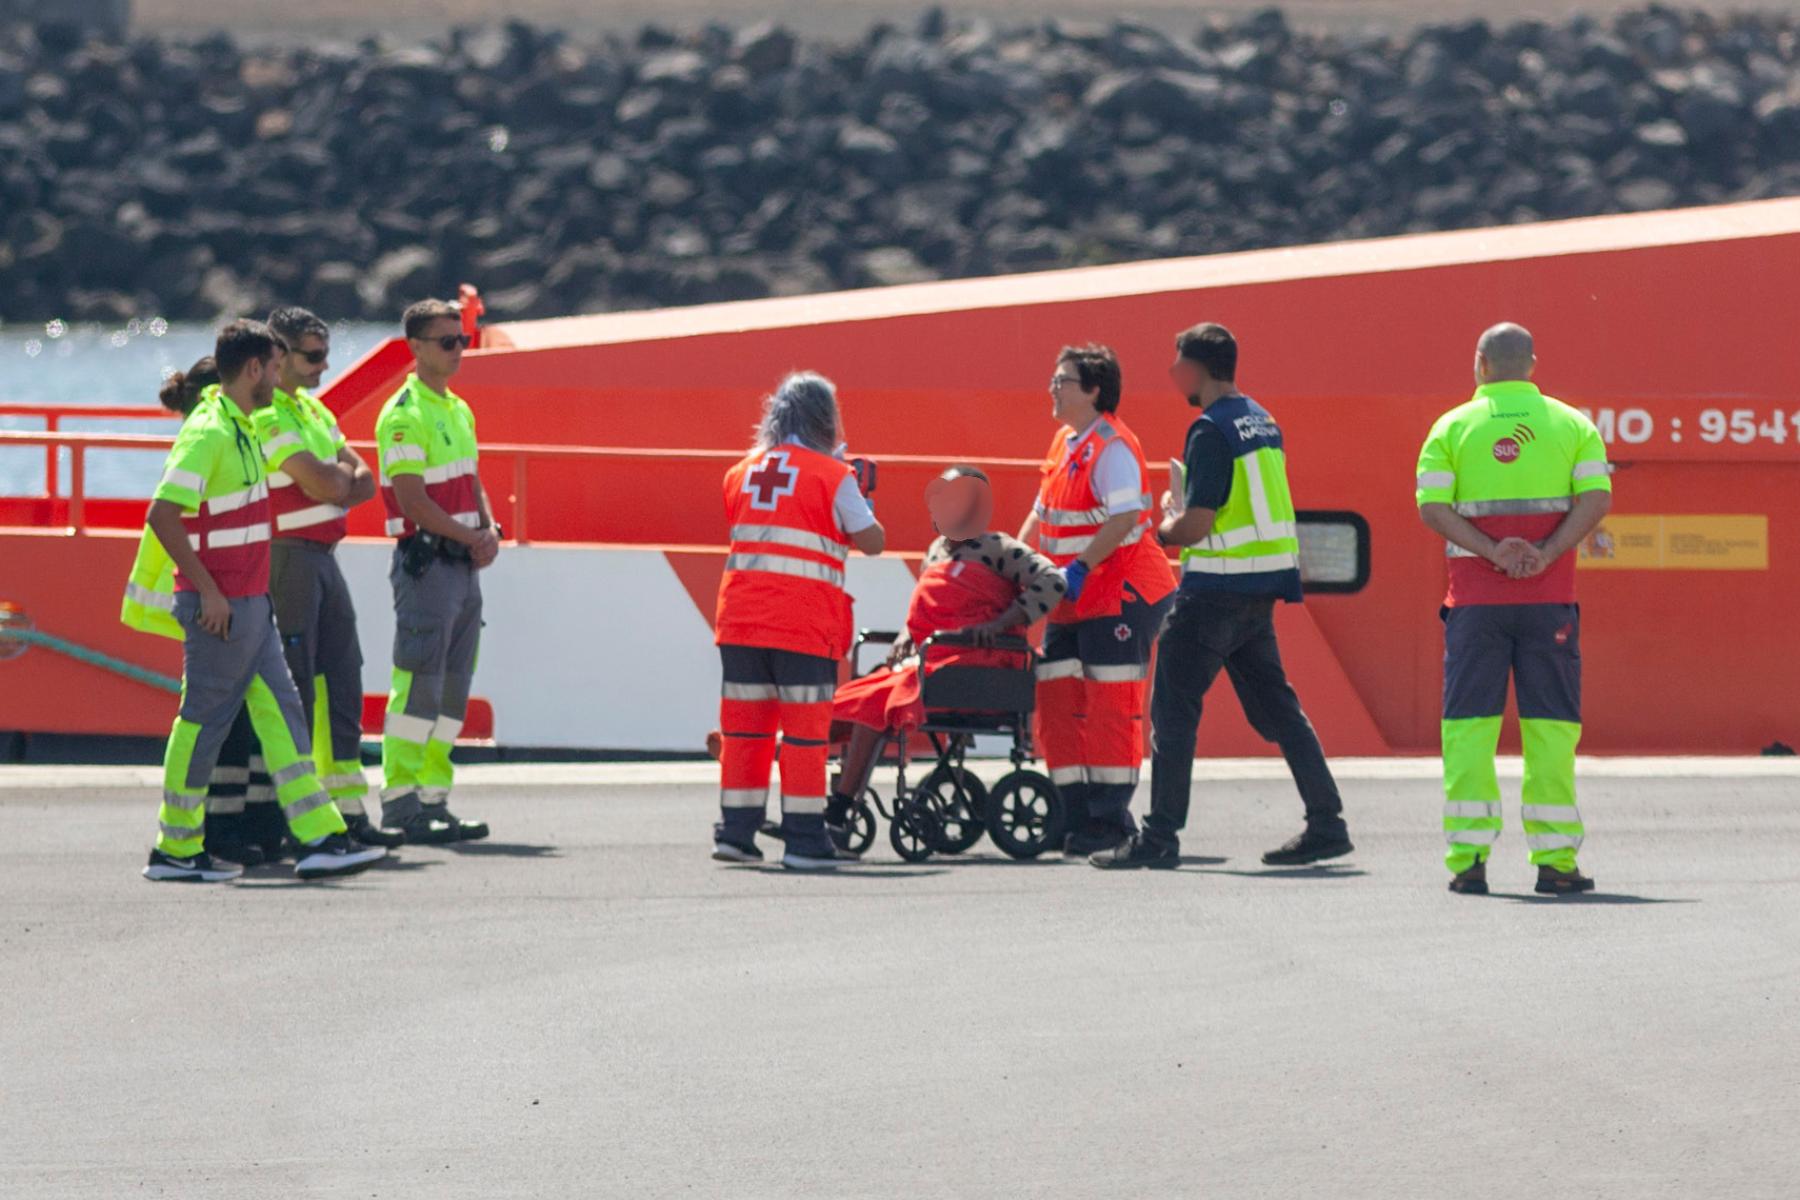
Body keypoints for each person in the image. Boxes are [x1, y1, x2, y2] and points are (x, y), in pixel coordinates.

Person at [1093, 323, 1352, 869]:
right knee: (1281, 712)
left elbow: (1197, 526)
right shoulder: (1262, 419)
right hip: (1258, 593)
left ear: (1199, 369)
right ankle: (1328, 823)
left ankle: (1159, 838)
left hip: (1213, 593)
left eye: (1177, 363)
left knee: (1173, 712)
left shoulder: (1210, 429)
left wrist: (1163, 525)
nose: (1171, 374)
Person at [140, 319, 385, 882]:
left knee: (284, 714)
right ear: (254, 368)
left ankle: (320, 837)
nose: (280, 378)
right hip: (222, 608)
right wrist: (208, 593)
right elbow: (162, 515)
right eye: (275, 367)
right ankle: (175, 848)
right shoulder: (209, 432)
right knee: (202, 722)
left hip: (254, 602)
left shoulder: (246, 426)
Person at [1414, 322, 1611, 895]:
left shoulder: (1450, 426)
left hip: (1476, 606)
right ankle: (1555, 865)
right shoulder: (1573, 424)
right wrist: (1546, 553)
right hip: (1549, 603)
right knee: (1551, 730)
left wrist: (1492, 551)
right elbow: (1597, 497)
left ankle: (1468, 862)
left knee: (1469, 730)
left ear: (1480, 364)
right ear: (1532, 364)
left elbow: (1431, 506)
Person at [712, 371, 884, 870]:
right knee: (806, 736)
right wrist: (857, 491)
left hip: (742, 623)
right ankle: (805, 840)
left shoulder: (741, 472)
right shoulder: (835, 476)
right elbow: (872, 541)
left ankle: (736, 833)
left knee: (746, 732)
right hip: (803, 626)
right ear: (826, 419)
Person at [827, 466, 1065, 820]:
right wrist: (907, 636)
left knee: (873, 704)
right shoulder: (936, 552)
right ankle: (833, 797)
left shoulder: (998, 548)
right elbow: (927, 611)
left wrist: (1002, 623)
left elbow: (1053, 581)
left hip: (975, 665)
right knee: (846, 702)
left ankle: (842, 806)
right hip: (932, 663)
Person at [121, 358, 283, 866]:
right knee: (220, 723)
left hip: (220, 598)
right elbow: (174, 523)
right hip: (213, 601)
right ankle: (211, 834)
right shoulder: (211, 438)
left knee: (231, 722)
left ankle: (232, 831)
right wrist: (214, 594)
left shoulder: (221, 436)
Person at [1019, 344, 1175, 856]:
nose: (1052, 388)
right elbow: (1040, 516)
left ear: (1092, 390)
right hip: (1072, 594)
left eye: (1061, 380)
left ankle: (1109, 821)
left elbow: (1125, 518)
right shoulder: (1065, 442)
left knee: (1112, 704)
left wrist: (1081, 566)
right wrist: (1012, 564)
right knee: (1055, 693)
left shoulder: (1111, 446)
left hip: (1120, 591)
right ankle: (1074, 814)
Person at [258, 306, 399, 850]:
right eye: (312, 356)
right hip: (290, 557)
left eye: (325, 355)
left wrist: (335, 482)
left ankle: (345, 810)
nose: (323, 367)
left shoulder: (313, 413)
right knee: (298, 684)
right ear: (280, 355)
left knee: (341, 679)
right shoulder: (268, 413)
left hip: (321, 557)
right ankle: (300, 819)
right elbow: (328, 481)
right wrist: (336, 482)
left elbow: (361, 481)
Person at [373, 298, 497, 844]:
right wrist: (474, 537)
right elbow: (413, 501)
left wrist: (488, 529)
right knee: (418, 689)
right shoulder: (405, 414)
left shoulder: (457, 409)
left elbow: (470, 482)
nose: (458, 350)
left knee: (452, 693)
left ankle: (433, 799)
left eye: (462, 339)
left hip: (462, 567)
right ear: (416, 348)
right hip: (429, 568)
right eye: (447, 341)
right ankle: (401, 804)